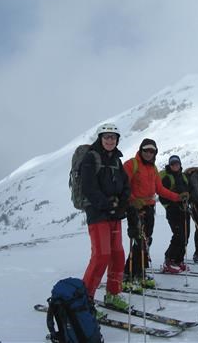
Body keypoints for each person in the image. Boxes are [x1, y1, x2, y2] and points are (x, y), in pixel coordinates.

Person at [123, 139, 189, 287]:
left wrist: (178, 197)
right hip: (135, 208)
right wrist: (133, 201)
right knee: (139, 240)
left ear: (155, 153)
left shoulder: (153, 169)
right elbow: (122, 185)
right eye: (146, 150)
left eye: (152, 151)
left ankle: (140, 271)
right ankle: (130, 272)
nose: (148, 153)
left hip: (149, 207)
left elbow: (160, 190)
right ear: (141, 150)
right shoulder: (131, 164)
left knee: (146, 240)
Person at [81, 123, 131, 310]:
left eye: (113, 137)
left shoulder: (117, 160)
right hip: (97, 214)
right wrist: (107, 205)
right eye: (106, 137)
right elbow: (89, 188)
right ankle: (85, 301)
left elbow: (126, 186)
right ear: (100, 139)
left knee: (117, 255)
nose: (110, 140)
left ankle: (113, 294)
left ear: (117, 140)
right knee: (101, 256)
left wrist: (121, 205)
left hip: (114, 214)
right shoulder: (90, 158)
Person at [159, 155, 191, 273]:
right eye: (172, 164)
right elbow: (162, 195)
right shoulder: (167, 178)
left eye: (177, 163)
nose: (175, 166)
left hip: (184, 210)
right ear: (170, 165)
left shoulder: (183, 176)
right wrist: (170, 206)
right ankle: (169, 260)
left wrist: (188, 197)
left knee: (186, 236)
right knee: (178, 235)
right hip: (173, 212)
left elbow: (188, 191)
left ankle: (178, 260)